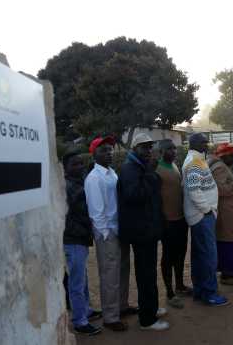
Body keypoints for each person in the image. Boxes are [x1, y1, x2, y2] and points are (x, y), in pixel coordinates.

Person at [118, 133, 169, 331]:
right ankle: (147, 320)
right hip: (141, 232)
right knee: (146, 274)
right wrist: (150, 174)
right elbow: (134, 195)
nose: (148, 151)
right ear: (134, 149)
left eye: (150, 147)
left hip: (147, 229)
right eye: (144, 147)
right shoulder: (131, 168)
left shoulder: (140, 166)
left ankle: (151, 309)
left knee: (148, 272)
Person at [84, 137, 130, 332]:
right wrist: (105, 234)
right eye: (103, 150)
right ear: (94, 154)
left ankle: (122, 306)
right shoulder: (94, 178)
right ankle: (110, 317)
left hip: (120, 229)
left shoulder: (112, 173)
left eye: (110, 149)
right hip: (108, 233)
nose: (109, 153)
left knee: (122, 270)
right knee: (110, 275)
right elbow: (96, 212)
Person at [183, 133, 229, 306]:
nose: (207, 144)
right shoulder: (194, 162)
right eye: (203, 142)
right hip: (202, 217)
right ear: (194, 144)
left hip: (202, 216)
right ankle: (209, 293)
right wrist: (207, 210)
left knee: (200, 256)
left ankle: (200, 290)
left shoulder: (197, 159)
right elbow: (195, 191)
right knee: (209, 256)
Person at [63, 152, 102, 335]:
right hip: (72, 238)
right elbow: (79, 210)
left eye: (81, 164)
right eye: (74, 164)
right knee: (76, 281)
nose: (79, 167)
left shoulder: (80, 182)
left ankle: (85, 310)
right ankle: (79, 321)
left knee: (82, 277)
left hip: (80, 238)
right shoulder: (67, 186)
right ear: (65, 168)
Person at [155, 139, 192, 309]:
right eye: (169, 149)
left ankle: (180, 286)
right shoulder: (158, 169)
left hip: (180, 219)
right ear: (161, 152)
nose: (173, 151)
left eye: (174, 148)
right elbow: (155, 198)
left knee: (180, 254)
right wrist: (161, 219)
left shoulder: (175, 166)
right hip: (167, 221)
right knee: (168, 257)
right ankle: (170, 293)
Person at [208, 143, 233, 285]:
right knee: (231, 240)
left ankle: (228, 272)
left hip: (225, 209)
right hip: (225, 209)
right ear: (225, 156)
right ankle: (232, 273)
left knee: (227, 239)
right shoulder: (219, 168)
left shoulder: (218, 166)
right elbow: (220, 189)